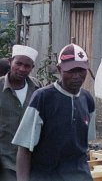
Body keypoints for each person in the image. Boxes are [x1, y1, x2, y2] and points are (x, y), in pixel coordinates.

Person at [12, 43, 96, 181]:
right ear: (59, 69)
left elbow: (84, 146)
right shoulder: (43, 98)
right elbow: (24, 147)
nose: (76, 76)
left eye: (80, 70)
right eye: (70, 70)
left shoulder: (87, 99)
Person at [0, 45, 41, 181]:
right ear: (10, 61)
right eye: (18, 64)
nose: (22, 69)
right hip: (5, 161)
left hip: (32, 161)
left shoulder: (37, 88)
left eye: (27, 66)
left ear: (32, 67)